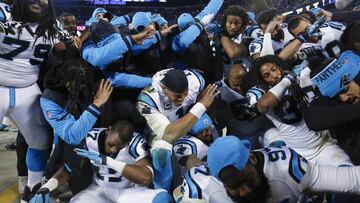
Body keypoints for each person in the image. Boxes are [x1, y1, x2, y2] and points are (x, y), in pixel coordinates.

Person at [0, 0, 63, 200]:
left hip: (28, 89)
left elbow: (66, 49)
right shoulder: (4, 13)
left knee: (41, 141)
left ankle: (34, 191)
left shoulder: (51, 26)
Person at [30, 120, 173, 203]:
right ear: (108, 130)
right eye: (111, 144)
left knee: (162, 199)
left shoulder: (135, 143)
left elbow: (146, 178)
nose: (112, 150)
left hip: (128, 192)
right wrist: (46, 188)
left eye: (119, 147)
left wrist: (108, 161)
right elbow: (68, 169)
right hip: (99, 190)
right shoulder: (90, 138)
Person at [246, 55, 352, 166]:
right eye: (266, 75)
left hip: (325, 145)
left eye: (274, 69)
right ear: (262, 80)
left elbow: (317, 61)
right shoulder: (260, 93)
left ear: (279, 66)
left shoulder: (299, 77)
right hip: (300, 153)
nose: (273, 75)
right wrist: (287, 81)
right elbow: (263, 106)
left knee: (349, 174)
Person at [207, 136, 360, 203]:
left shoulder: (287, 167)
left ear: (253, 159)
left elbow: (353, 179)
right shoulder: (216, 193)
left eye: (247, 179)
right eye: (233, 187)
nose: (245, 191)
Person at [136, 68, 219, 191]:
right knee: (162, 149)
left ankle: (215, 176)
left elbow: (200, 94)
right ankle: (163, 190)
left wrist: (200, 103)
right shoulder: (147, 100)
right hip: (159, 133)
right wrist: (201, 106)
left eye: (185, 94)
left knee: (211, 126)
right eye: (177, 96)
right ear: (164, 89)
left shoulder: (196, 80)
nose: (182, 99)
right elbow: (169, 135)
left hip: (186, 122)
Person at [171, 0, 224, 84]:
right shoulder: (176, 39)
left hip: (211, 71)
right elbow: (183, 41)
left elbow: (211, 8)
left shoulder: (197, 22)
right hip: (194, 80)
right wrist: (200, 25)